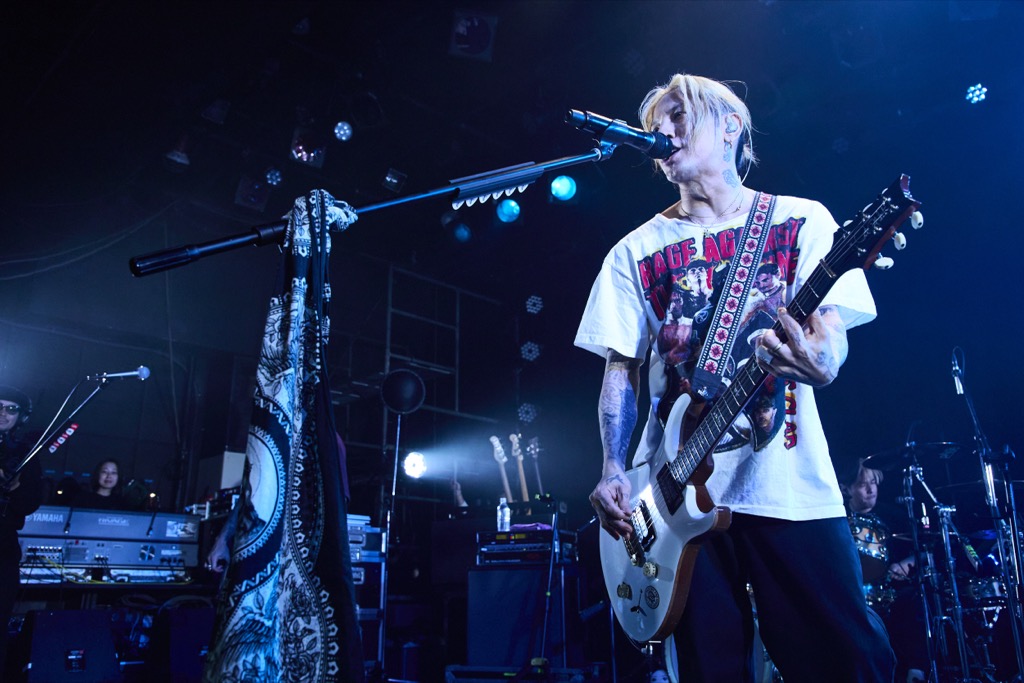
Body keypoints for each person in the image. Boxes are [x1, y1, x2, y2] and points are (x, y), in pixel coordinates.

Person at [576, 73, 893, 681]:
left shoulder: (800, 219)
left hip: (787, 484)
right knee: (708, 670)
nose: (662, 132)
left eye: (678, 115)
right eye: (654, 125)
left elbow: (829, 332)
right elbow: (621, 369)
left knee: (848, 661)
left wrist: (824, 362)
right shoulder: (632, 252)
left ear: (730, 127)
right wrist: (614, 467)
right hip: (672, 500)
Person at [843, 461, 928, 683]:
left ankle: (916, 670)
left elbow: (923, 550)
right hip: (851, 594)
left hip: (890, 590)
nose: (870, 489)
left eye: (873, 483)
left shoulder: (894, 516)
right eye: (862, 484)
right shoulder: (837, 518)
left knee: (914, 599)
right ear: (846, 488)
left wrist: (906, 564)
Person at [0, 385, 43, 678]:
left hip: (2, 548)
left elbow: (30, 503)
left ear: (20, 416)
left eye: (11, 409)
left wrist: (15, 487)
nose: (3, 414)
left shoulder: (26, 454)